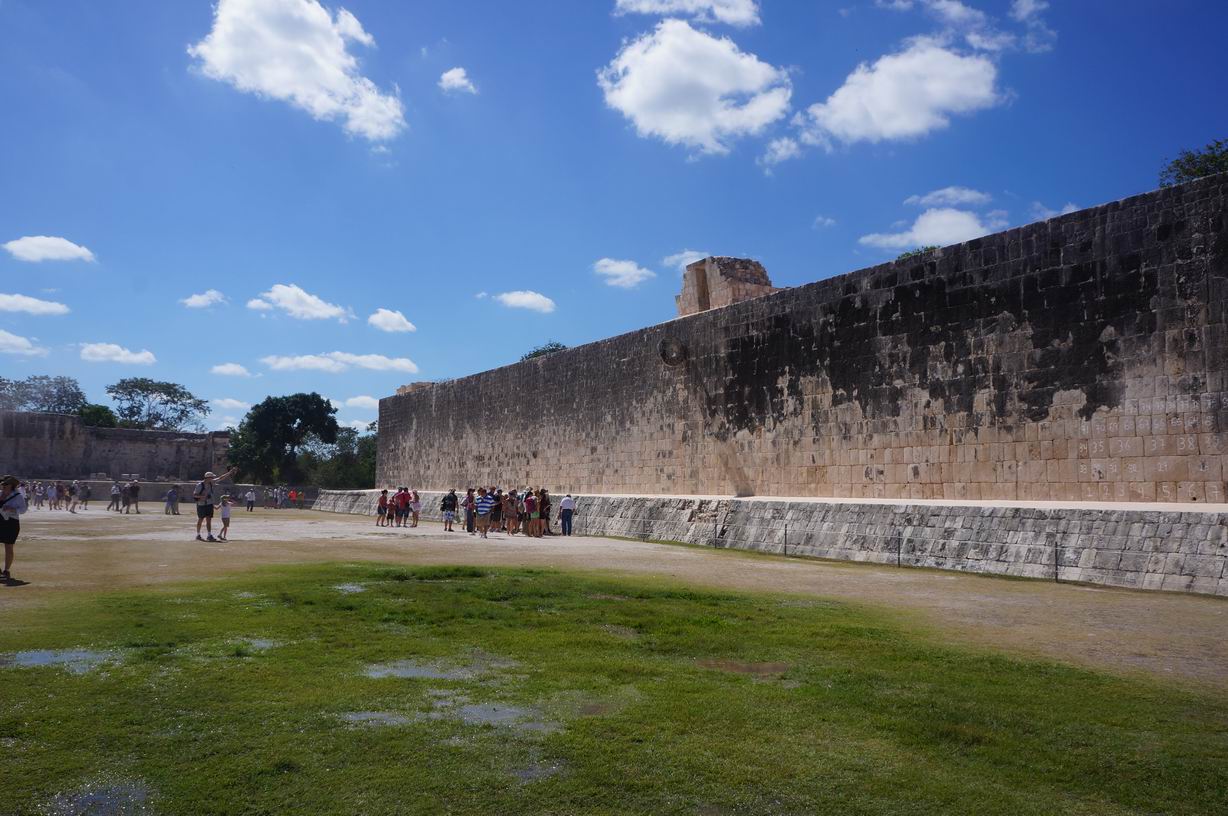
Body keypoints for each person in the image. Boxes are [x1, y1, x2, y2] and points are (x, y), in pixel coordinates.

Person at [193, 467, 237, 542]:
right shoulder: (199, 485)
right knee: (200, 519)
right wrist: (203, 496)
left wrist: (229, 472)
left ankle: (209, 535)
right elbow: (194, 495)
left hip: (209, 504)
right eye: (212, 477)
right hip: (201, 504)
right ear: (208, 478)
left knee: (209, 519)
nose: (213, 478)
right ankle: (198, 534)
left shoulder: (211, 482)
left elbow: (221, 478)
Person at [0, 475, 28, 583]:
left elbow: (23, 510)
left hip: (11, 523)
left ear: (11, 485)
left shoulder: (17, 496)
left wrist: (12, 509)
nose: (2, 485)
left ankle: (6, 570)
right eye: (2, 484)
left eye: (5, 484)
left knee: (8, 547)